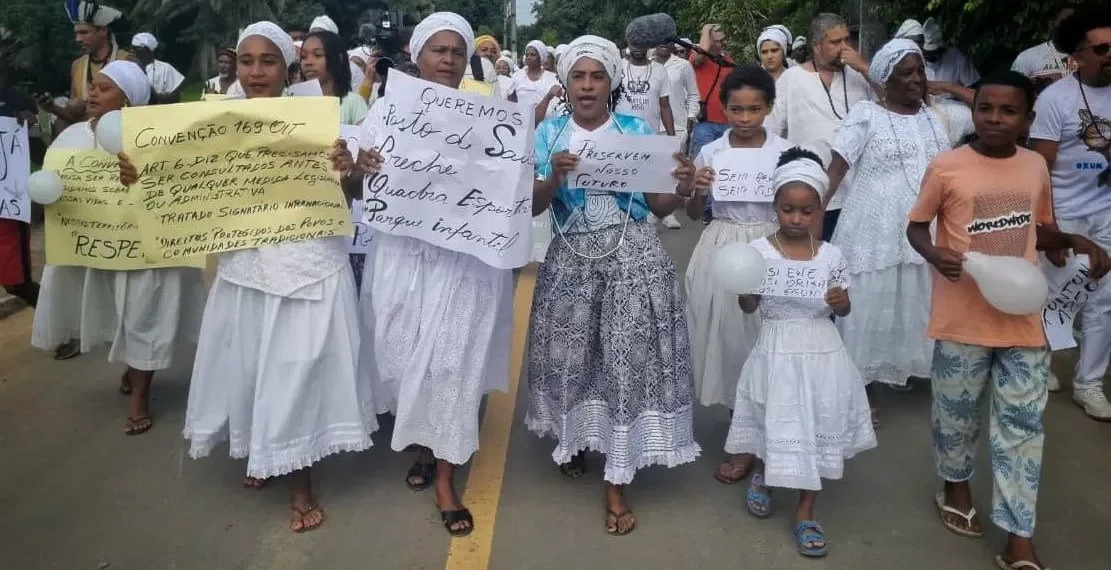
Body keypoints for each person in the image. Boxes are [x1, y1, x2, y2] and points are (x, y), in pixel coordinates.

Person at [149, 21, 376, 532]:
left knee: (299, 369)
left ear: (286, 68)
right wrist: (138, 173)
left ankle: (300, 480)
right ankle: (262, 452)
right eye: (247, 60)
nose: (256, 71)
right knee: (254, 368)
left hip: (310, 265)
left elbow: (350, 197)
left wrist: (351, 170)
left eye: (267, 60)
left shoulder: (317, 118)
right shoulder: (215, 122)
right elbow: (177, 182)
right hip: (247, 266)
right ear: (236, 65)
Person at [907, 70, 1110, 570]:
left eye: (1008, 111)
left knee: (1021, 426)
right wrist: (936, 255)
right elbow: (916, 227)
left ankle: (1019, 533)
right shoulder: (947, 166)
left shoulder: (1033, 169)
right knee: (955, 416)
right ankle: (955, 488)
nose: (995, 119)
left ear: (1028, 119)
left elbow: (1035, 231)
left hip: (1022, 319)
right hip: (962, 317)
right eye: (985, 109)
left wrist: (1074, 241)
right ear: (974, 112)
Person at [527, 34, 700, 536]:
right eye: (578, 76)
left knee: (625, 360)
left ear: (611, 82)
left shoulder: (634, 128)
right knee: (574, 357)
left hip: (634, 261)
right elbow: (535, 206)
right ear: (565, 83)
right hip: (571, 262)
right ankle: (575, 437)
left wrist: (682, 186)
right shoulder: (549, 134)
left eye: (596, 76)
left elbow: (661, 205)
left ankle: (616, 478)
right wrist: (554, 181)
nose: (586, 85)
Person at [359, 12, 514, 538]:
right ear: (417, 56)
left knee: (451, 361)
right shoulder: (385, 111)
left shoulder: (492, 116)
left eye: (456, 51)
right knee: (402, 355)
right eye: (437, 50)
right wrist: (356, 169)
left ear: (467, 56)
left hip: (464, 263)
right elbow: (358, 191)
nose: (447, 60)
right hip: (404, 259)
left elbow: (507, 189)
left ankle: (446, 477)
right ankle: (425, 440)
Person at [32, 61, 206, 436]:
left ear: (128, 100)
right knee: (117, 316)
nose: (93, 93)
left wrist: (143, 177)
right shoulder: (72, 137)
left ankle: (140, 396)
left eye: (105, 88)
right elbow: (57, 192)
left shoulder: (159, 139)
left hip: (147, 255)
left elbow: (181, 192)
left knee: (145, 315)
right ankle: (133, 366)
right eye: (94, 85)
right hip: (99, 249)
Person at [726, 147, 875, 558]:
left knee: (815, 422)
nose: (796, 218)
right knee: (774, 414)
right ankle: (765, 473)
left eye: (806, 211)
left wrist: (840, 300)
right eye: (788, 209)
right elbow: (749, 307)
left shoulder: (831, 256)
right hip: (775, 349)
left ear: (819, 210)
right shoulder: (758, 252)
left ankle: (806, 510)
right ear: (774, 206)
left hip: (822, 353)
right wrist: (749, 291)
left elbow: (842, 309)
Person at [824, 39, 947, 411]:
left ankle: (907, 368)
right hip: (872, 226)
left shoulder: (934, 117)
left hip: (923, 226)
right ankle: (859, 389)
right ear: (884, 78)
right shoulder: (865, 114)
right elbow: (835, 170)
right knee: (869, 303)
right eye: (905, 73)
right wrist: (811, 223)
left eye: (920, 71)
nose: (916, 80)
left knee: (916, 297)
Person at [685, 64, 793, 483]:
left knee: (773, 339)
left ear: (768, 107)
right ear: (724, 109)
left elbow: (799, 206)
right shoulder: (712, 152)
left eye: (754, 109)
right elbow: (695, 213)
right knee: (732, 341)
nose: (745, 118)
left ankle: (780, 434)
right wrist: (699, 188)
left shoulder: (785, 151)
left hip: (772, 244)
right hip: (723, 244)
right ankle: (744, 436)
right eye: (736, 110)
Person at [1029, 7, 1111, 417]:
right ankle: (1041, 363)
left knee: (1105, 300)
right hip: (1065, 213)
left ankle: (1090, 382)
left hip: (1107, 214)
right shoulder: (1054, 100)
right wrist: (1050, 226)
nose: (1110, 53)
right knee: (1058, 294)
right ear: (1079, 54)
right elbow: (1039, 168)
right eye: (1103, 48)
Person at [770, 13, 873, 241]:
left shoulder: (860, 77)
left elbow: (893, 103)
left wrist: (864, 68)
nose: (844, 48)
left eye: (847, 40)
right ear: (816, 45)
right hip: (810, 197)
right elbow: (771, 133)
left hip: (857, 196)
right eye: (836, 42)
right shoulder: (791, 79)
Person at [39, 1, 129, 138]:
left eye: (84, 32)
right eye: (76, 34)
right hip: (86, 139)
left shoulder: (126, 60)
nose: (78, 39)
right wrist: (53, 108)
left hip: (120, 134)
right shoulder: (77, 66)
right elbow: (75, 112)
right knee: (60, 123)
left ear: (103, 31)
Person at [0, 76, 40, 308]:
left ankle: (64, 332)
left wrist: (30, 129)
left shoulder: (18, 101)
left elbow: (39, 155)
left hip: (7, 207)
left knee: (16, 282)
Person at [299, 30, 368, 124]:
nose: (308, 62)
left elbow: (364, 137)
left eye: (318, 55)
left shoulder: (353, 103)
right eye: (303, 56)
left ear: (338, 59)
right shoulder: (296, 103)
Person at [689, 24, 735, 160]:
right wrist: (705, 29)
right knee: (701, 164)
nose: (723, 43)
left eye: (724, 39)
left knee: (725, 163)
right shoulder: (698, 58)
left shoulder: (727, 61)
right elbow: (702, 52)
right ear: (709, 41)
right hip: (704, 123)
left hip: (726, 122)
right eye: (718, 40)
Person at [1013, 7, 1078, 92]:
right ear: (1051, 24)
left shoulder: (1090, 55)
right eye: (1066, 22)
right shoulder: (1027, 58)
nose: (1071, 28)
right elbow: (1012, 93)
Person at [653, 41, 700, 150]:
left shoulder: (683, 65)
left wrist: (690, 120)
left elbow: (693, 95)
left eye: (667, 40)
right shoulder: (648, 65)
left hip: (678, 127)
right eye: (660, 39)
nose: (664, 43)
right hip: (651, 129)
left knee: (677, 165)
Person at [507, 40, 561, 126]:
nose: (528, 57)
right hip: (521, 125)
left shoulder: (552, 78)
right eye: (527, 54)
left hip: (545, 125)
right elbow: (510, 99)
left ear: (541, 58)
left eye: (533, 55)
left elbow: (555, 104)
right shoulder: (517, 76)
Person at [130, 33, 184, 104]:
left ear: (149, 50)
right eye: (132, 48)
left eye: (137, 48)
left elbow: (176, 97)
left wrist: (155, 98)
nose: (132, 52)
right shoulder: (127, 68)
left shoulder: (165, 68)